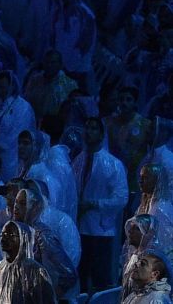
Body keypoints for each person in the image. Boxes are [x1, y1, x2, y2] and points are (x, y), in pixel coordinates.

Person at [72, 116, 128, 293]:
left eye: (94, 128)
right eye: (87, 128)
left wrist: (93, 204)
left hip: (100, 230)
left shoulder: (113, 164)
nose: (89, 132)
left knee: (99, 280)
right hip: (79, 228)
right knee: (79, 277)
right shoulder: (78, 160)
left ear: (102, 134)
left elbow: (121, 198)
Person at [0, 221, 56, 303]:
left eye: (10, 235)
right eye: (2, 235)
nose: (3, 239)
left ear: (23, 238)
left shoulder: (36, 271)